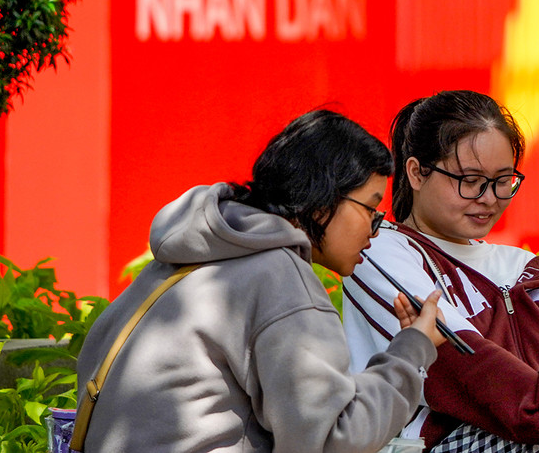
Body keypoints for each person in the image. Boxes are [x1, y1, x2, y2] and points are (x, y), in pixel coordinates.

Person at [74, 109, 446, 453]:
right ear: (323, 201)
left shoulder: (186, 261)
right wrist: (412, 350)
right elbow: (332, 440)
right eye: (371, 209)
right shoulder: (281, 277)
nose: (374, 230)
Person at [343, 90, 539, 453]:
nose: (489, 197)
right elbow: (458, 358)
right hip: (428, 443)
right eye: (470, 180)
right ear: (417, 173)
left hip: (534, 428)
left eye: (502, 180)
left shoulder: (523, 267)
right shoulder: (381, 251)